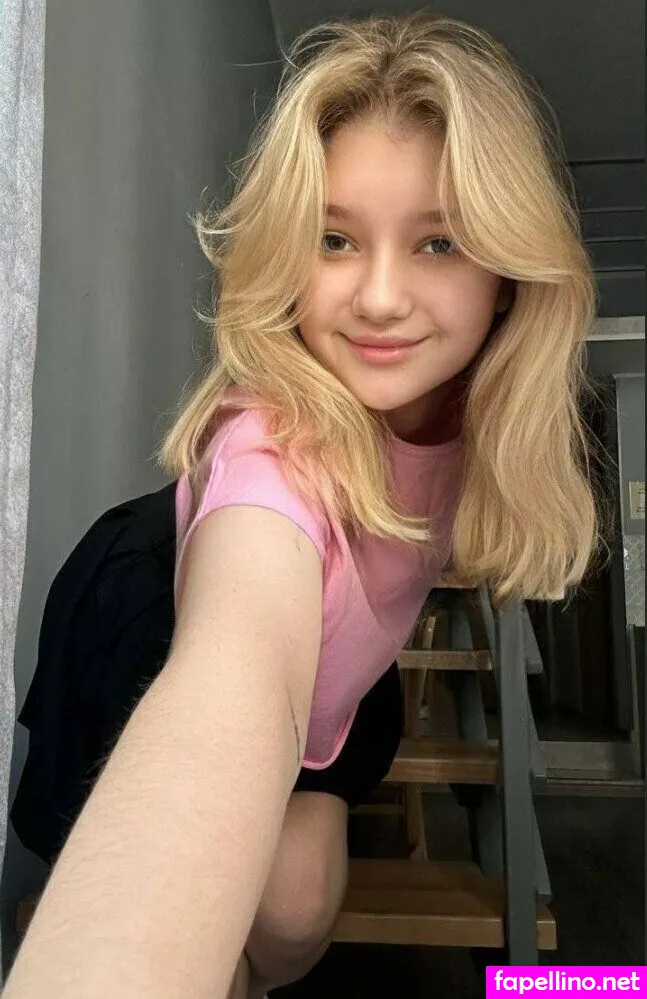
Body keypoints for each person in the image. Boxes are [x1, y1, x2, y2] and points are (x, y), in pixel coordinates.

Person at [4, 13, 610, 999]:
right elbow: (232, 673)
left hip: (344, 669)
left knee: (293, 916)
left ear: (505, 272)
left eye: (438, 241)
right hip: (152, 609)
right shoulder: (269, 463)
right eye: (333, 239)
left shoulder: (472, 409)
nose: (378, 298)